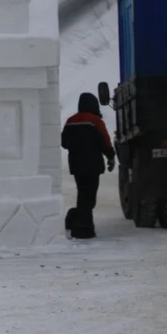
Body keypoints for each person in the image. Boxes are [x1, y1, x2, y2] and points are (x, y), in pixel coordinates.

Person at [61, 92, 115, 238]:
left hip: (76, 165)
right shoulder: (95, 121)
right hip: (93, 165)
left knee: (82, 192)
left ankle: (79, 222)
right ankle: (82, 227)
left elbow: (64, 142)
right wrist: (111, 156)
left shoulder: (70, 121)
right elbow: (105, 142)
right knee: (89, 196)